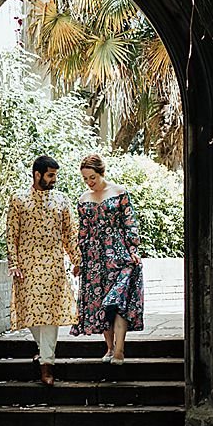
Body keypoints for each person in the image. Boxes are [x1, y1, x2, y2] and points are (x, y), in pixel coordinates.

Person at [6, 155, 80, 385]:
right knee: (30, 314)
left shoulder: (61, 200)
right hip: (27, 267)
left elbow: (69, 233)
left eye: (55, 175)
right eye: (50, 175)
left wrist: (77, 259)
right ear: (37, 175)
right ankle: (42, 349)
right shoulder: (19, 200)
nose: (54, 179)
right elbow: (12, 234)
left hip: (54, 266)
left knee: (51, 315)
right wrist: (14, 263)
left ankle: (47, 364)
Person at [72, 154, 144, 365]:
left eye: (92, 177)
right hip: (95, 259)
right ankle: (109, 348)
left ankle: (120, 350)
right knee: (103, 304)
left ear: (101, 173)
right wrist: (79, 260)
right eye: (85, 179)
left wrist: (133, 249)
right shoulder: (84, 199)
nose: (89, 182)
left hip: (119, 255)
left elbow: (130, 223)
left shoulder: (119, 192)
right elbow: (82, 233)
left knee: (119, 302)